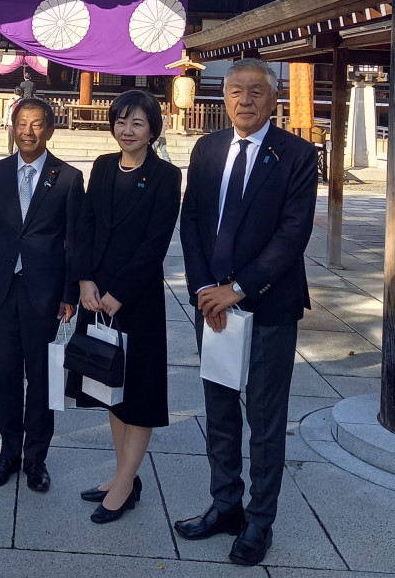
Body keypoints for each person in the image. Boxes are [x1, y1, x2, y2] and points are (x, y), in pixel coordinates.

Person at [176, 59, 318, 567]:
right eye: (235, 91)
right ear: (225, 96)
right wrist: (202, 290)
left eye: (256, 92)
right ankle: (225, 505)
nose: (244, 101)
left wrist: (237, 288)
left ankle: (260, 522)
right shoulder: (208, 148)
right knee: (218, 409)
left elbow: (292, 234)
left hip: (267, 305)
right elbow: (191, 221)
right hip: (211, 305)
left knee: (263, 416)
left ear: (273, 99)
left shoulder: (298, 155)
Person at [67, 89, 181, 524]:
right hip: (96, 296)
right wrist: (85, 279)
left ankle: (127, 484)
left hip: (136, 302)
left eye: (137, 122)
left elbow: (156, 243)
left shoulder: (166, 176)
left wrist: (121, 292)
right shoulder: (101, 167)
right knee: (109, 389)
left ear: (153, 129)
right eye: (120, 121)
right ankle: (122, 476)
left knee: (139, 393)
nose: (126, 130)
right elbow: (85, 226)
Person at [0, 97, 83, 493]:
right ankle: (8, 454)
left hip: (45, 291)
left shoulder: (68, 177)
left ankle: (36, 458)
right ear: (12, 127)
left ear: (50, 130)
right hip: (3, 289)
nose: (28, 131)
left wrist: (69, 292)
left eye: (37, 124)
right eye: (22, 123)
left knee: (41, 376)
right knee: (5, 374)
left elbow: (74, 241)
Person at [2, 86, 23, 154]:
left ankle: (10, 152)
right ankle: (16, 153)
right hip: (20, 124)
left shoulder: (10, 101)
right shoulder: (23, 102)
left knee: (10, 139)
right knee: (18, 139)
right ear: (22, 93)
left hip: (11, 122)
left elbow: (6, 113)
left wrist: (5, 123)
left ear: (14, 92)